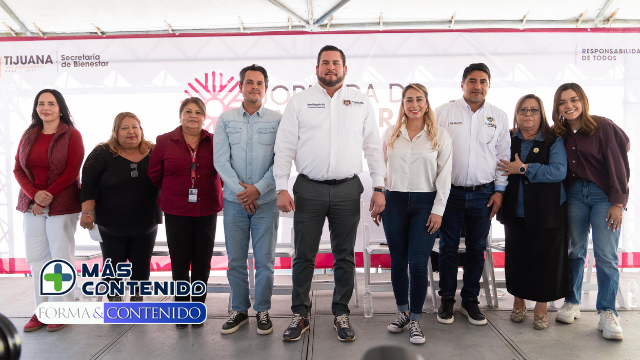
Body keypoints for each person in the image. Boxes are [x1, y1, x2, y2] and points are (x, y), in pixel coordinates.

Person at [274, 45, 386, 342]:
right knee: (304, 256)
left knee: (344, 256)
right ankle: (300, 314)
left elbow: (373, 147)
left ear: (345, 69)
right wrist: (281, 186)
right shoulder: (299, 102)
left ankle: (341, 313)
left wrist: (379, 186)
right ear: (317, 68)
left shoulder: (360, 102)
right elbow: (284, 147)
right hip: (308, 188)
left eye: (336, 63)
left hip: (348, 188)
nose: (330, 67)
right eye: (325, 63)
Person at [552, 83, 630, 341]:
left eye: (573, 100)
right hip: (574, 196)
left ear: (583, 101)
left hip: (603, 197)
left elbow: (619, 159)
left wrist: (618, 202)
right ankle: (572, 302)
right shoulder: (559, 132)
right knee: (575, 249)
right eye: (563, 102)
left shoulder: (602, 126)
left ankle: (608, 312)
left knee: (606, 255)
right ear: (558, 107)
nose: (569, 105)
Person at [434, 63, 510, 326]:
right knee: (447, 248)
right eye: (472, 81)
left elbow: (503, 158)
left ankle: (470, 300)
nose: (478, 86)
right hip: (450, 193)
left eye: (483, 81)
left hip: (484, 193)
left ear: (489, 85)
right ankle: (446, 299)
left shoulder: (499, 116)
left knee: (477, 248)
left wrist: (499, 192)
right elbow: (432, 152)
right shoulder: (443, 112)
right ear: (463, 84)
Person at [378, 83, 452, 344]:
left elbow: (444, 176)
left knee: (419, 264)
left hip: (425, 203)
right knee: (398, 261)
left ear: (427, 103)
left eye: (419, 99)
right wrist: (379, 198)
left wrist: (438, 210)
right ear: (402, 104)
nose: (414, 104)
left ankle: (417, 321)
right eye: (408, 100)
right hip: (394, 201)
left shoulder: (439, 136)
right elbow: (380, 169)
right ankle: (403, 313)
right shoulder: (391, 133)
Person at [214, 64, 282, 335]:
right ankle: (240, 310)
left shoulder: (277, 119)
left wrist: (259, 189)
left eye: (260, 83)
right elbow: (221, 160)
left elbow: (281, 161)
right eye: (250, 82)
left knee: (265, 262)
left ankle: (263, 309)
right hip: (234, 203)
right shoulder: (226, 119)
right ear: (240, 86)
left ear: (265, 88)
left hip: (266, 204)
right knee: (235, 260)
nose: (255, 87)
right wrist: (243, 194)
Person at [148, 97, 223, 329]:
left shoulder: (216, 141)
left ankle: (197, 307)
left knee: (202, 261)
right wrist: (176, 189)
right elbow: (154, 173)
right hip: (176, 209)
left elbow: (224, 168)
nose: (193, 115)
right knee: (180, 261)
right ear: (180, 115)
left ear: (204, 117)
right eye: (188, 111)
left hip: (207, 207)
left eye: (198, 112)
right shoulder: (164, 141)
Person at [496, 94, 569, 330]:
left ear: (542, 114)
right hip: (515, 209)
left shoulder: (553, 140)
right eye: (523, 110)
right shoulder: (507, 138)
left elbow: (558, 171)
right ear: (516, 114)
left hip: (547, 210)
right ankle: (518, 301)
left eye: (534, 110)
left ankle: (541, 305)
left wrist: (524, 168)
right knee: (517, 257)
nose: (528, 114)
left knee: (546, 260)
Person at [14, 89, 84, 332]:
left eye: (51, 103)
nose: (45, 108)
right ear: (36, 108)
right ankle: (41, 310)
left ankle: (61, 309)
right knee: (37, 260)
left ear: (60, 108)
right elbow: (18, 170)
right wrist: (35, 195)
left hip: (61, 205)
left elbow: (72, 171)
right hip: (31, 206)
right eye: (41, 103)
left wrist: (46, 196)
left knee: (60, 258)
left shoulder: (72, 135)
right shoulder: (29, 134)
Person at [80, 112, 161, 302]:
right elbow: (88, 184)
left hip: (146, 224)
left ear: (141, 130)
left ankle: (137, 302)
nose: (131, 132)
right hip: (110, 226)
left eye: (135, 127)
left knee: (141, 267)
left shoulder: (155, 151)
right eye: (125, 128)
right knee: (113, 267)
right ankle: (115, 303)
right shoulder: (102, 152)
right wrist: (87, 212)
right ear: (116, 131)